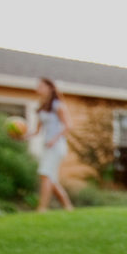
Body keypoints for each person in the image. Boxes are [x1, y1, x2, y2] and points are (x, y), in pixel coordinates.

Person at [25, 78, 74, 212]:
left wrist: (54, 139)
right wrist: (22, 136)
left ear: (50, 88)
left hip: (57, 145)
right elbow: (36, 131)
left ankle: (42, 208)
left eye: (41, 86)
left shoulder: (58, 105)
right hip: (46, 146)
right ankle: (67, 206)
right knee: (50, 178)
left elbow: (68, 125)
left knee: (45, 174)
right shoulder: (41, 107)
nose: (38, 89)